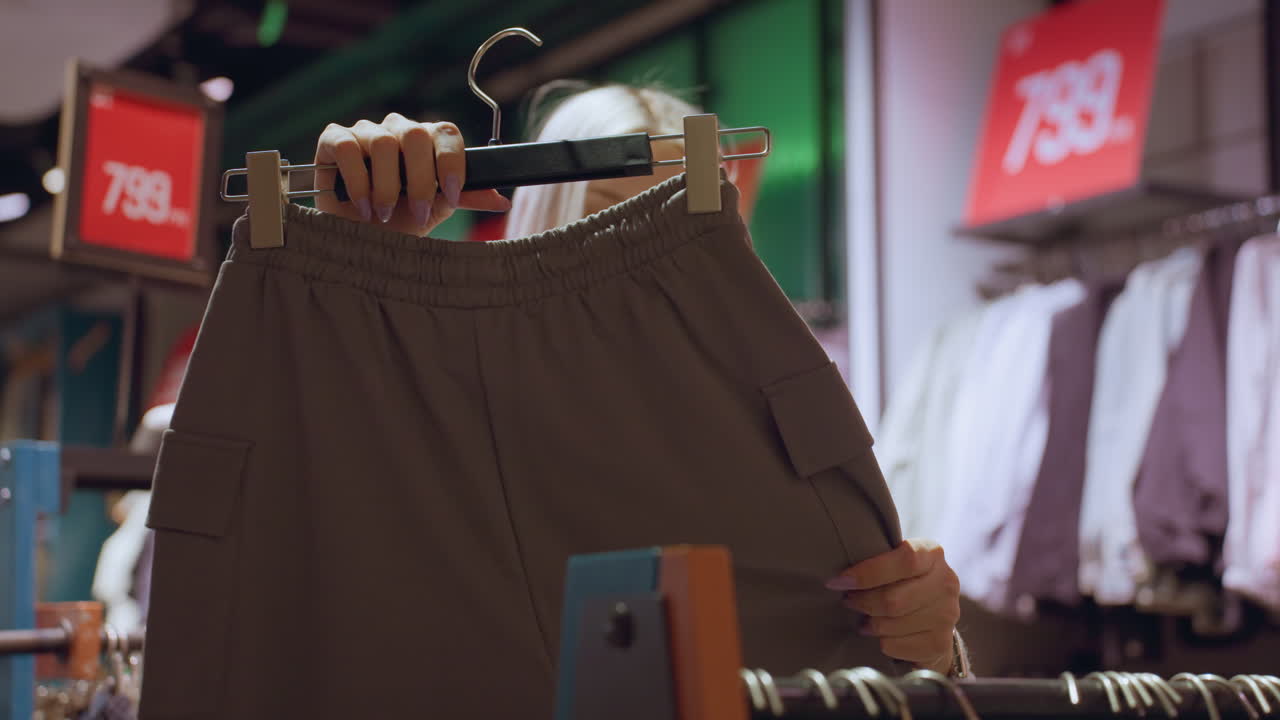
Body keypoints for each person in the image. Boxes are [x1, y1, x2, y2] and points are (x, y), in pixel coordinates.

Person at [313, 82, 966, 675]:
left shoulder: (767, 431)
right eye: (603, 233)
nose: (637, 278)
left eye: (680, 241)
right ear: (542, 227)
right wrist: (358, 277)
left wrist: (928, 646)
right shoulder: (441, 419)